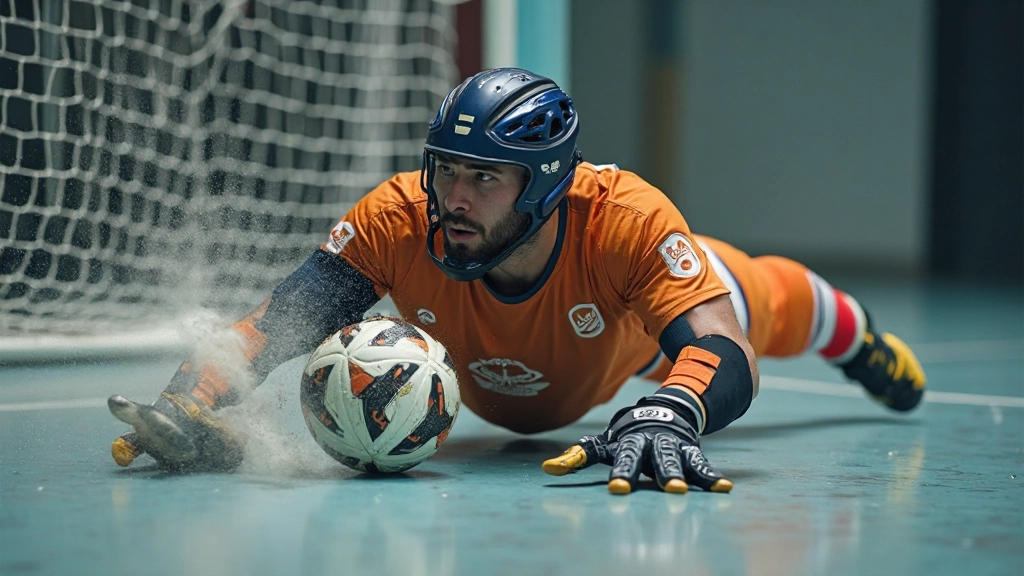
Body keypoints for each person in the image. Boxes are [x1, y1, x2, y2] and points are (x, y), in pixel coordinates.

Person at [107, 68, 926, 495]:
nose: (454, 198)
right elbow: (275, 323)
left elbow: (727, 351)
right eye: (446, 169)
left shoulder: (625, 220)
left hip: (631, 346)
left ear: (546, 185)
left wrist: (671, 411)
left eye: (485, 178)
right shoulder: (399, 219)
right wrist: (190, 398)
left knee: (777, 300)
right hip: (528, 369)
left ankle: (862, 341)